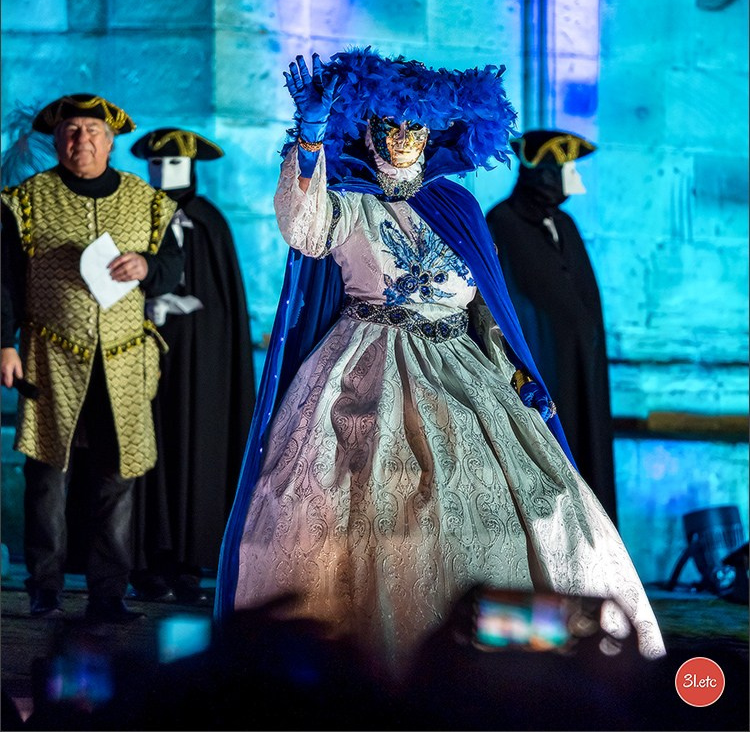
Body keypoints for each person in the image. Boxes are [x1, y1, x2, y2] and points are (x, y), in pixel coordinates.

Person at [215, 49, 665, 680]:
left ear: (435, 133)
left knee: (541, 508)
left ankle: (512, 654)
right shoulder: (348, 203)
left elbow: (487, 305)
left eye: (414, 128)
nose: (402, 140)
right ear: (367, 131)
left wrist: (512, 367)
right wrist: (310, 140)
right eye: (389, 127)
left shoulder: (457, 207)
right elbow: (305, 228)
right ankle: (372, 660)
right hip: (364, 372)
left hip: (465, 373)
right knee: (382, 520)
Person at [0, 93, 183, 623]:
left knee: (116, 477)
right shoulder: (24, 200)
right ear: (56, 139)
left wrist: (147, 267)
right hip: (49, 357)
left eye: (93, 132)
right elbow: (5, 278)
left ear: (111, 139)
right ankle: (45, 587)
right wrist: (4, 342)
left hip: (124, 361)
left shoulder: (146, 200)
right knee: (47, 474)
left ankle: (109, 591)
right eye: (72, 131)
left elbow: (172, 265)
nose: (83, 140)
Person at [127, 128, 256, 605]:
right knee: (147, 448)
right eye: (156, 166)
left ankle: (188, 562)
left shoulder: (209, 222)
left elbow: (223, 300)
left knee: (196, 446)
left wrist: (192, 311)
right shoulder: (133, 216)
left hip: (200, 357)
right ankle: (145, 563)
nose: (164, 175)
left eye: (174, 166)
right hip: (144, 352)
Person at [485, 130, 618, 524]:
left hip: (582, 371)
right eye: (567, 168)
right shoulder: (502, 224)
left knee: (587, 452)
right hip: (543, 372)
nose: (574, 177)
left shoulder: (565, 223)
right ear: (544, 173)